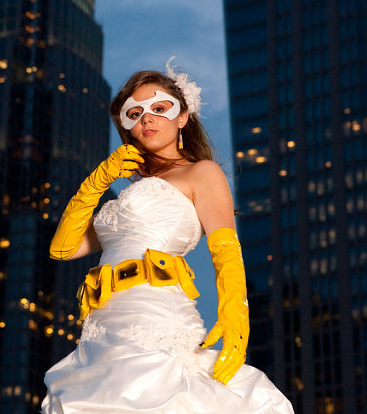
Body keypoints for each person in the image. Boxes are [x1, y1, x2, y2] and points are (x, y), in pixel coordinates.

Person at [41, 61, 294, 413]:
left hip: (156, 311)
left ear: (182, 116)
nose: (147, 119)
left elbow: (225, 250)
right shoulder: (125, 195)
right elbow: (63, 249)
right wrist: (97, 180)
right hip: (101, 324)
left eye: (159, 108)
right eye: (135, 113)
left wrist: (236, 316)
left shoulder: (201, 172)